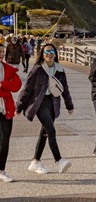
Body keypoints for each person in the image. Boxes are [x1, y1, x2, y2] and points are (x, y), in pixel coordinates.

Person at [16, 44, 74, 174]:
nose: (49, 53)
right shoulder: (37, 69)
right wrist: (19, 106)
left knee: (44, 134)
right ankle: (59, 160)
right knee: (51, 130)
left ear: (55, 54)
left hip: (53, 103)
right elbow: (27, 89)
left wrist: (69, 105)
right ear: (42, 54)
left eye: (52, 51)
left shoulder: (60, 70)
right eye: (46, 51)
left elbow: (65, 89)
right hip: (40, 103)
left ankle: (35, 162)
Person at [0, 45, 22, 182]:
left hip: (6, 109)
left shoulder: (8, 69)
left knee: (4, 141)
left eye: (2, 52)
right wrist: (6, 88)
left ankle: (1, 170)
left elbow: (17, 86)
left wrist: (2, 85)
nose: (1, 54)